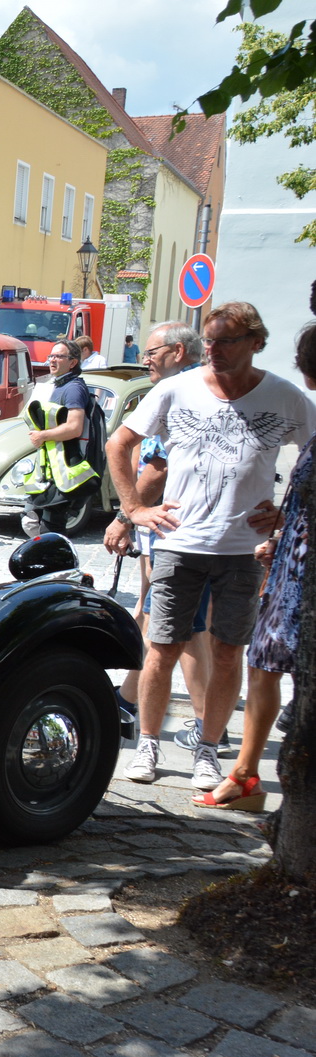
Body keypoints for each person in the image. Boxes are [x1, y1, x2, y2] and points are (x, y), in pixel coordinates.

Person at [109, 301, 315, 789]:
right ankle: (150, 744)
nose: (213, 350)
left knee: (228, 652)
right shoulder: (175, 389)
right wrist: (134, 510)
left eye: (226, 341)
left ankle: (207, 748)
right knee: (162, 647)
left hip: (243, 549)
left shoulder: (285, 397)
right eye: (210, 340)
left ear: (256, 344)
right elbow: (119, 444)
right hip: (180, 543)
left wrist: (287, 514)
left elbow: (312, 458)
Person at [203, 322, 316, 808]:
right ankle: (246, 776)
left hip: (303, 571)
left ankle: (249, 777)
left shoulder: (294, 403)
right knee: (264, 662)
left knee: (268, 663)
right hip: (293, 563)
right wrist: (285, 525)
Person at [104, 322, 221, 723]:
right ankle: (135, 698)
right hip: (197, 527)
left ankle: (194, 718)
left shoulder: (177, 392)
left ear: (178, 352)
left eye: (152, 352)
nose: (145, 359)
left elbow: (156, 468)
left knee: (173, 625)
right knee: (186, 623)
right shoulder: (210, 387)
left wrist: (126, 515)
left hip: (171, 526)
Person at [21, 340, 99, 534]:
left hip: (66, 470)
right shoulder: (58, 385)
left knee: (50, 526)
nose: (52, 360)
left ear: (72, 363)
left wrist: (42, 436)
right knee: (32, 518)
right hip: (52, 470)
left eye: (58, 356)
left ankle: (54, 562)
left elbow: (74, 427)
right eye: (51, 356)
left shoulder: (73, 388)